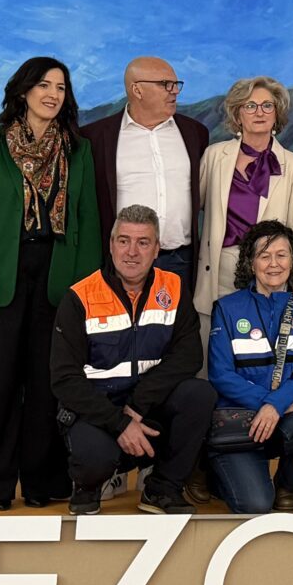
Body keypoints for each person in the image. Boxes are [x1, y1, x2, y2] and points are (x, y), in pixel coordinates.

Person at [0, 57, 100, 510]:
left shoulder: (79, 150)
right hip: (3, 272)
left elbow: (87, 220)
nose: (52, 94)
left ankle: (44, 483)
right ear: (23, 91)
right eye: (43, 84)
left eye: (60, 86)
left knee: (48, 383)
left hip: (60, 272)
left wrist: (86, 290)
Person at [48, 205, 218, 516]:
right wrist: (120, 422)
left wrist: (138, 407)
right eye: (124, 240)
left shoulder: (175, 288)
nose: (132, 252)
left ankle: (162, 488)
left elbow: (189, 355)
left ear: (157, 250)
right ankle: (88, 485)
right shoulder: (79, 297)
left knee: (199, 394)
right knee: (94, 456)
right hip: (97, 412)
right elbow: (64, 380)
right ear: (111, 245)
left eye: (143, 243)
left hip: (147, 408)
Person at [205, 221, 293, 513]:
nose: (274, 264)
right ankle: (218, 474)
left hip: (283, 418)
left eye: (282, 255)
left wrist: (276, 405)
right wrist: (269, 404)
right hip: (240, 422)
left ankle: (287, 484)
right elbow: (220, 374)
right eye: (264, 255)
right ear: (251, 261)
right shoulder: (227, 307)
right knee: (256, 505)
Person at [81, 56, 209, 301]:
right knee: (122, 335)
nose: (174, 92)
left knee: (178, 335)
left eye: (176, 84)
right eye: (165, 84)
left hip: (181, 260)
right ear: (136, 89)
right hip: (122, 262)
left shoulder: (195, 133)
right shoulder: (95, 138)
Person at [195, 76, 293, 323]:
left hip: (271, 272)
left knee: (262, 349)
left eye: (267, 105)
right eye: (250, 105)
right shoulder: (214, 156)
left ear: (277, 114)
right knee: (216, 347)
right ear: (237, 114)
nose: (259, 112)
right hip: (219, 271)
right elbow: (195, 207)